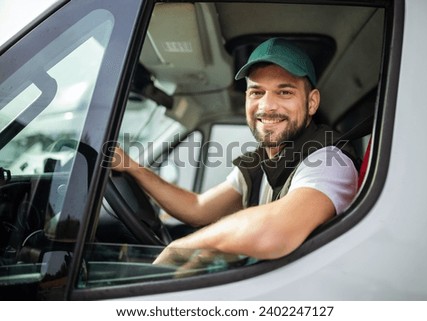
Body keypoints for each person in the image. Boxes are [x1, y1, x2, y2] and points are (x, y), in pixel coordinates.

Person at [112, 38, 358, 263]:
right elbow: (197, 208)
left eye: (284, 92)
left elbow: (273, 231)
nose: (267, 105)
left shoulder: (328, 161)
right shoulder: (260, 161)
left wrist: (181, 248)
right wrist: (132, 167)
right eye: (256, 92)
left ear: (312, 102)